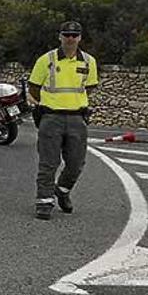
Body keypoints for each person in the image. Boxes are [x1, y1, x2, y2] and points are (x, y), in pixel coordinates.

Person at [27, 20, 99, 220]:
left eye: (74, 35)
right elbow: (34, 86)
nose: (70, 39)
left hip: (77, 118)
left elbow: (90, 87)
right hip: (51, 117)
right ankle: (44, 203)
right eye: (66, 35)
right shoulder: (46, 59)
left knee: (76, 163)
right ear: (60, 36)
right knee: (48, 163)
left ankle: (63, 191)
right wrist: (48, 103)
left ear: (80, 38)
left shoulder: (88, 62)